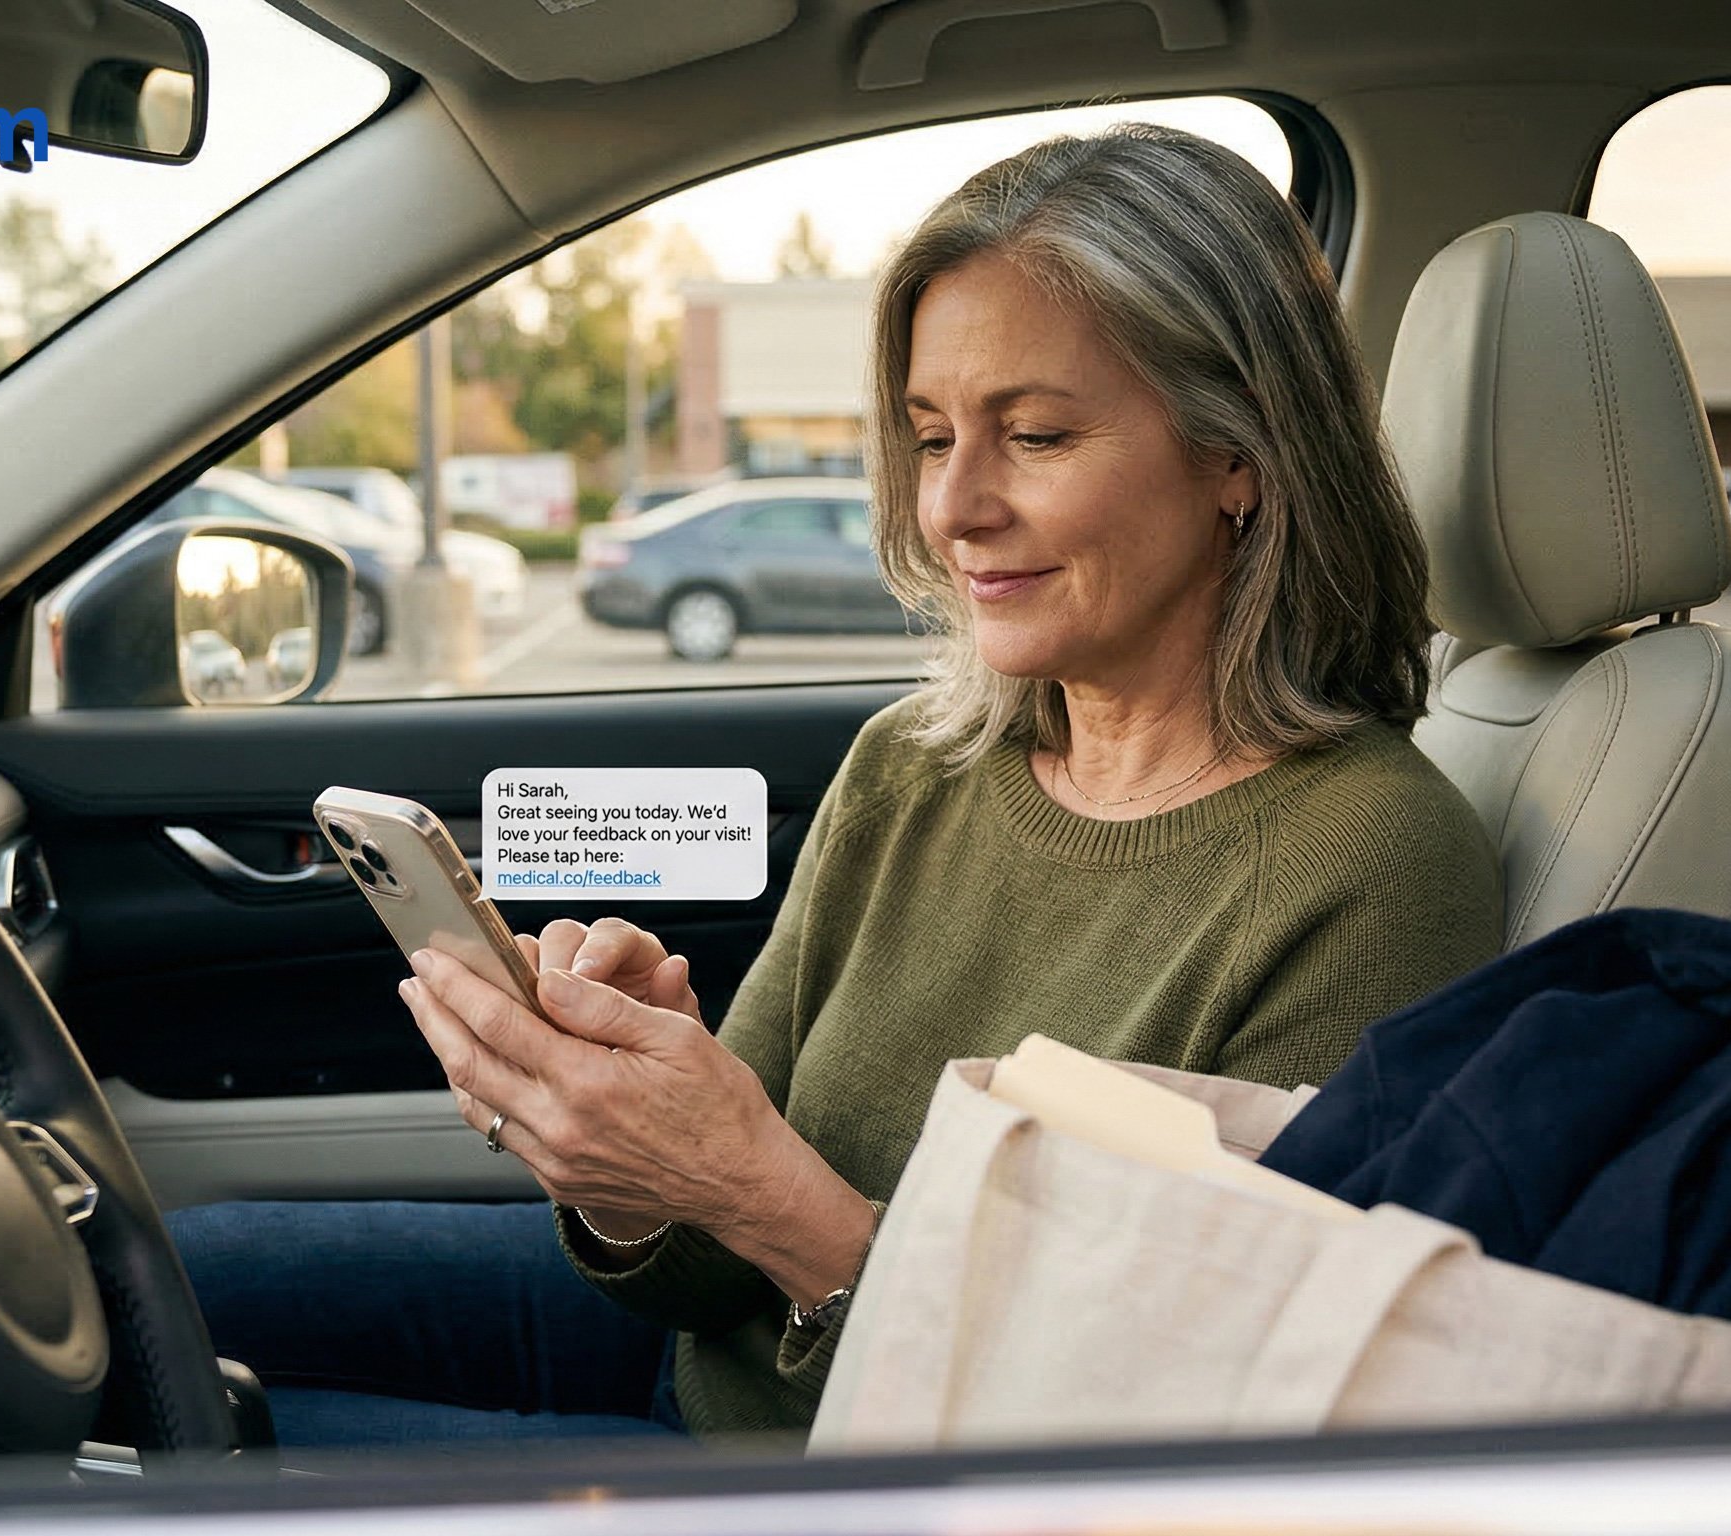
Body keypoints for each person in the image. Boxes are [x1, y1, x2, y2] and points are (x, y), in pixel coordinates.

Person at [166, 122, 1505, 1454]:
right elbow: (702, 1271)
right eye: (932, 440)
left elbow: (1151, 1427)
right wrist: (632, 1151)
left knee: (175, 1453)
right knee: (147, 1285)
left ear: (1241, 458)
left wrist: (763, 1195)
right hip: (701, 1363)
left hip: (843, 1478)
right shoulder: (916, 769)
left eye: (1034, 435)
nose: (953, 509)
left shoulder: (1375, 866)